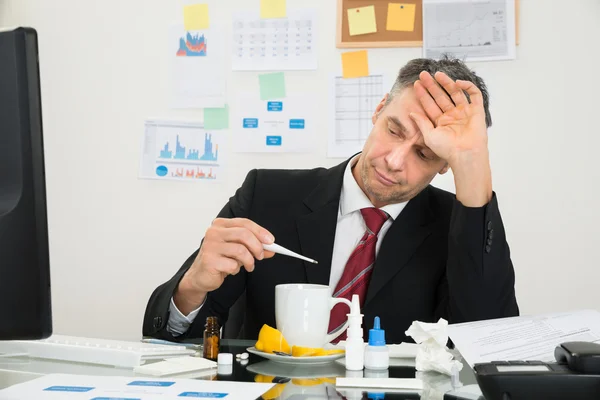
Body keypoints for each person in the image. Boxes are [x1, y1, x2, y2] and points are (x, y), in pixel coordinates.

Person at [143, 56, 519, 344]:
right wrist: (191, 286)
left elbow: (488, 341)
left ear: (444, 165)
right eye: (393, 130)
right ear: (378, 110)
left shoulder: (457, 225)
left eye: (423, 154)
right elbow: (168, 341)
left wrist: (471, 164)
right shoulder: (266, 196)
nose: (393, 161)